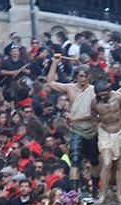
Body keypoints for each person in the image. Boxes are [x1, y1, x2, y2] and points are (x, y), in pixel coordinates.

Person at [46, 55, 97, 189]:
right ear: (76, 76)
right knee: (75, 160)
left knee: (95, 161)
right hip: (76, 129)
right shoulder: (70, 88)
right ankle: (75, 193)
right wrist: (54, 63)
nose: (83, 79)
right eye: (81, 76)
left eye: (86, 76)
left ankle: (96, 189)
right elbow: (50, 82)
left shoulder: (94, 91)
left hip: (91, 129)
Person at [91, 81, 121, 203]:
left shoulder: (118, 97)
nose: (103, 96)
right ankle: (102, 195)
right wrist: (102, 122)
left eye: (105, 93)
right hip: (105, 132)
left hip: (120, 129)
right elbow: (93, 117)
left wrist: (120, 120)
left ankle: (119, 194)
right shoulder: (94, 103)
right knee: (107, 162)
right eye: (100, 94)